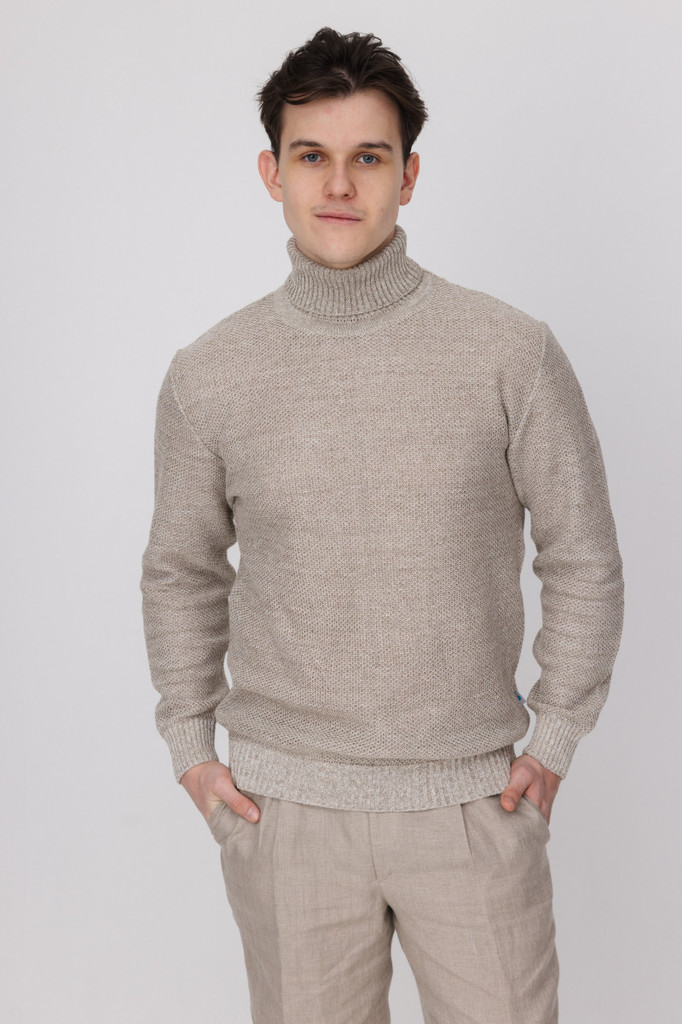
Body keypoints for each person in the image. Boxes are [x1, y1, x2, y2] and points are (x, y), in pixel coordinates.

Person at [140, 26, 625, 1024]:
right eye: (311, 156)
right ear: (271, 173)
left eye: (368, 157)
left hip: (473, 804)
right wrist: (190, 741)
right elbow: (181, 568)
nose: (338, 184)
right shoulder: (210, 374)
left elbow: (581, 554)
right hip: (287, 814)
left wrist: (556, 734)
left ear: (408, 176)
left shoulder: (510, 352)